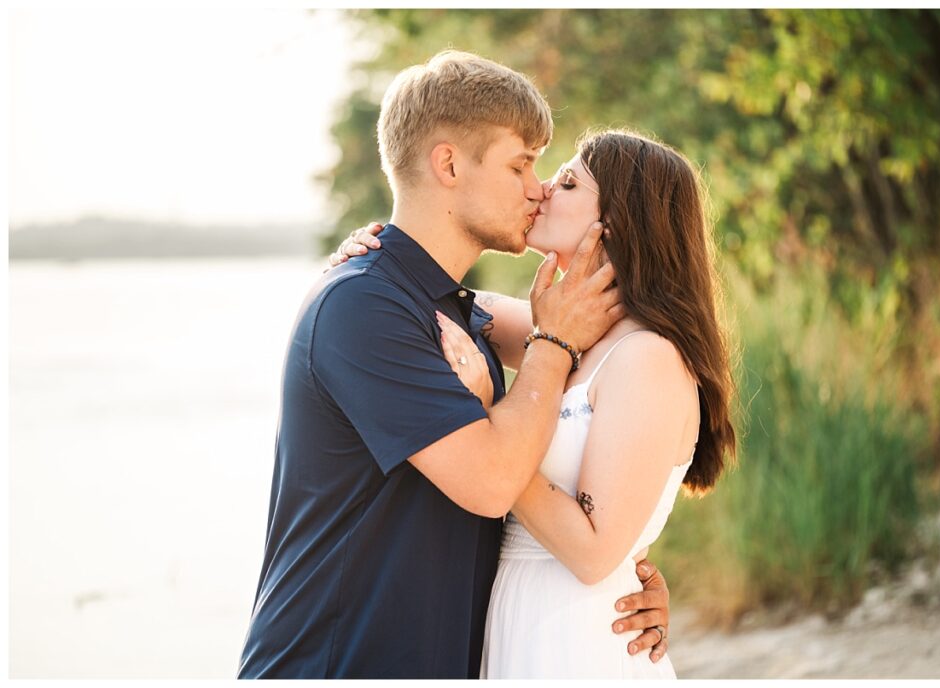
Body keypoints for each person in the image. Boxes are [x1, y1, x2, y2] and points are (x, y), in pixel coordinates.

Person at [237, 51, 673, 680]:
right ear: (447, 163)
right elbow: (495, 481)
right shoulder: (363, 307)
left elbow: (627, 355)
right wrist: (552, 346)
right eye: (520, 163)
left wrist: (623, 571)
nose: (538, 186)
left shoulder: (455, 313)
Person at [332, 128, 738, 678]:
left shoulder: (647, 358)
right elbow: (443, 308)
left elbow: (595, 554)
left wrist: (489, 422)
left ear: (614, 223)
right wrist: (378, 255)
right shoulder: (572, 332)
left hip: (580, 638)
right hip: (518, 620)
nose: (542, 189)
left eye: (568, 182)